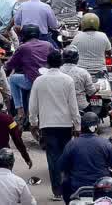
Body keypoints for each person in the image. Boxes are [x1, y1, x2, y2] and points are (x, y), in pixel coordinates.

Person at [29, 49, 81, 200]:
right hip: (65, 124)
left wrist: (33, 123)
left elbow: (33, 105)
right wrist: (77, 125)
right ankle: (68, 189)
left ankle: (57, 192)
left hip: (47, 125)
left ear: (47, 62)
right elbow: (73, 105)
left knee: (53, 159)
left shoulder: (39, 80)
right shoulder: (67, 80)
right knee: (67, 157)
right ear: (61, 63)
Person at [58, 112, 112, 204]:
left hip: (76, 188)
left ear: (82, 127)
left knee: (65, 180)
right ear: (96, 127)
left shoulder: (72, 144)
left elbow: (61, 166)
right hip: (102, 188)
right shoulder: (105, 144)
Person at [6, 24, 54, 122]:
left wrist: (4, 65)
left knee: (12, 79)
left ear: (24, 35)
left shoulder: (23, 47)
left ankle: (20, 110)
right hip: (48, 79)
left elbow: (10, 64)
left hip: (31, 81)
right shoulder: (48, 45)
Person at [71, 12, 111, 77]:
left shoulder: (78, 36)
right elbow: (108, 52)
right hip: (100, 71)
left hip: (81, 71)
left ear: (82, 23)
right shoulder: (103, 36)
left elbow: (71, 51)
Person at [59, 46, 94, 113]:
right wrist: (97, 87)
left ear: (62, 58)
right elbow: (91, 92)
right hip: (81, 107)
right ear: (77, 59)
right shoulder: (83, 72)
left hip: (60, 106)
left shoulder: (57, 71)